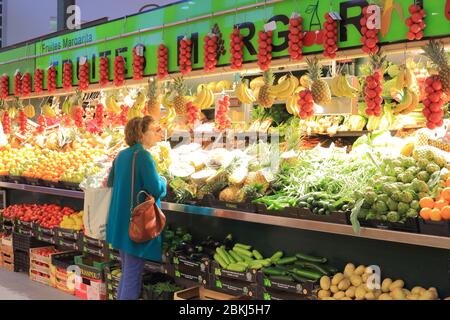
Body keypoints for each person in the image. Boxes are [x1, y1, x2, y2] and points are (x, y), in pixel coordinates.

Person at [106, 116, 167, 300]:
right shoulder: (143, 156)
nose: (158, 134)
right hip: (136, 224)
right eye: (153, 130)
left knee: (127, 272)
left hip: (120, 222)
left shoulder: (121, 155)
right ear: (142, 133)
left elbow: (109, 183)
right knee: (132, 275)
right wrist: (163, 181)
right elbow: (156, 189)